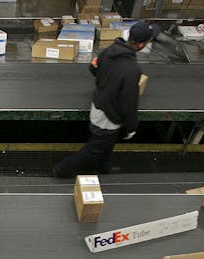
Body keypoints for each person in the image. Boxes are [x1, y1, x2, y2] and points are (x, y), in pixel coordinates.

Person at [53, 21, 159, 178]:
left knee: (107, 145)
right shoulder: (132, 69)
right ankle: (62, 170)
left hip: (99, 104)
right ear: (142, 45)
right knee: (94, 150)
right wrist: (131, 126)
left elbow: (93, 67)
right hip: (108, 117)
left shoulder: (110, 50)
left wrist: (106, 80)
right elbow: (128, 102)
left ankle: (104, 168)